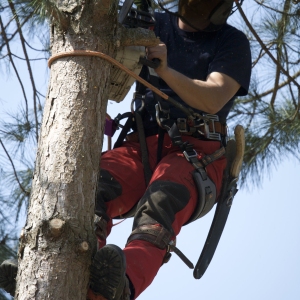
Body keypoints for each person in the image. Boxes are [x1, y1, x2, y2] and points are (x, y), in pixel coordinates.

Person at [0, 1, 251, 299]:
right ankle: (47, 269)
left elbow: (213, 98)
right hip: (142, 147)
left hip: (196, 153)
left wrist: (165, 71)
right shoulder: (151, 25)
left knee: (161, 204)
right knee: (91, 185)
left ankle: (119, 288)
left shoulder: (231, 42)